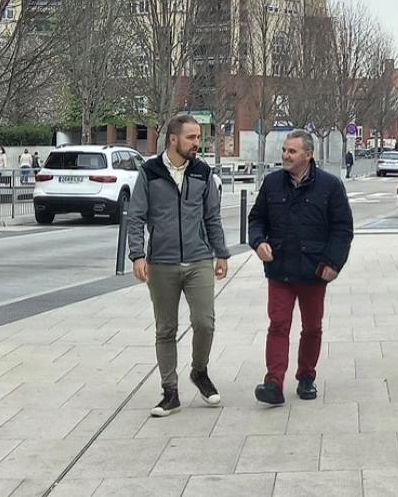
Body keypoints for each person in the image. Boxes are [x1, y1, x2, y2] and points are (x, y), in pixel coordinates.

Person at [126, 114, 230, 417]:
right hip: (161, 262)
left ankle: (199, 371)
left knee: (204, 322)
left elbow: (212, 217)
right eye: (192, 138)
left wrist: (220, 253)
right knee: (166, 329)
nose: (198, 143)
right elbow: (136, 217)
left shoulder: (202, 172)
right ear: (173, 139)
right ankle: (169, 391)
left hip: (199, 259)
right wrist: (137, 255)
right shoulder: (150, 172)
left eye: (198, 137)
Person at [249, 129, 353, 405]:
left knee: (311, 328)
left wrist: (333, 262)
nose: (285, 155)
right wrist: (258, 242)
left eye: (291, 151)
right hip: (279, 269)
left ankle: (306, 376)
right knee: (278, 325)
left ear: (308, 155)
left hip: (313, 270)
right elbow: (256, 219)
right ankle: (273, 382)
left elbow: (342, 229)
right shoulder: (272, 184)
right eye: (284, 150)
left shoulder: (330, 186)